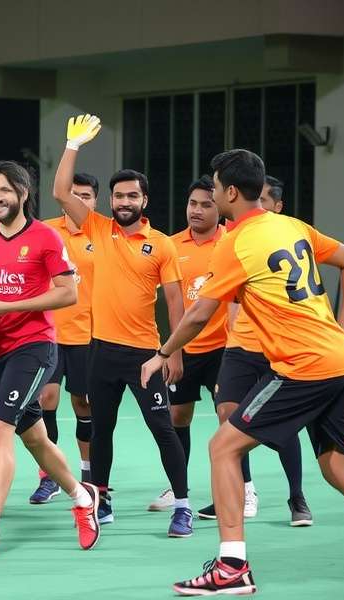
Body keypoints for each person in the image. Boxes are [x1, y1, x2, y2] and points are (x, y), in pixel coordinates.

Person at [141, 149, 344, 597]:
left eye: (216, 187)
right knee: (338, 468)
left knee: (222, 447)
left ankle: (232, 566)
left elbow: (201, 313)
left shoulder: (235, 242)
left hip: (304, 365)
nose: (213, 193)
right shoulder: (290, 225)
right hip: (341, 358)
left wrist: (163, 352)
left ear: (231, 192)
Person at [53, 114, 192, 537]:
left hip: (145, 356)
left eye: (132, 195)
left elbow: (175, 302)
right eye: (118, 195)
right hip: (100, 351)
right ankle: (102, 498)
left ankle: (182, 505)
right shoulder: (97, 226)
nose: (124, 201)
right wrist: (73, 144)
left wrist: (174, 352)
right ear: (110, 200)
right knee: (102, 430)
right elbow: (60, 191)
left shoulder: (162, 245)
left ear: (144, 200)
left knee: (162, 429)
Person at [0, 160, 99, 559]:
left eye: (3, 190)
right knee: (34, 437)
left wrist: (4, 307)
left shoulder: (45, 238)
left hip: (35, 348)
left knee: (0, 426)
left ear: (22, 194)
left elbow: (67, 294)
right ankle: (83, 499)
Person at [196, 175, 312, 526]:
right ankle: (241, 491)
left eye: (263, 198)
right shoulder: (233, 241)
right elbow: (231, 299)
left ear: (276, 206)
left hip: (276, 347)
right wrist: (233, 333)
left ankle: (297, 497)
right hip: (240, 348)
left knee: (282, 424)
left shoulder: (289, 235)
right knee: (227, 417)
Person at [148, 175, 228, 512]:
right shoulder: (171, 245)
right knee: (178, 416)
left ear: (220, 208)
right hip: (187, 349)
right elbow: (170, 304)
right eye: (192, 203)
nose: (196, 210)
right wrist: (173, 351)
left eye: (206, 204)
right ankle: (176, 486)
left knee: (231, 419)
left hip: (226, 348)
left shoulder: (232, 241)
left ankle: (244, 490)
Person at [29, 172, 97, 503]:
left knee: (84, 403)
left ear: (95, 201)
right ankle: (51, 477)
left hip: (89, 336)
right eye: (74, 195)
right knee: (46, 401)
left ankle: (87, 474)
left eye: (86, 196)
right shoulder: (45, 231)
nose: (80, 201)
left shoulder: (101, 233)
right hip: (50, 334)